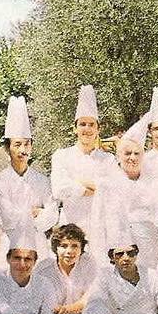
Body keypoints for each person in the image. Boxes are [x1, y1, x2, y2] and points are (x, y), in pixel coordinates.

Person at [93, 118, 158, 273]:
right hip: (116, 256)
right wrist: (101, 261)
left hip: (149, 257)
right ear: (118, 156)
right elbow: (97, 226)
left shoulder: (154, 184)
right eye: (127, 153)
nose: (133, 157)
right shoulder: (106, 185)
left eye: (137, 153)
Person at [50, 85, 116, 264]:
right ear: (75, 128)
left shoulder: (108, 160)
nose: (86, 129)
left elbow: (113, 191)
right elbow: (59, 189)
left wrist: (77, 181)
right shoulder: (62, 156)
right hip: (70, 228)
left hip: (99, 231)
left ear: (98, 129)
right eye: (82, 124)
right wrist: (94, 187)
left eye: (91, 124)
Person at [0, 96, 56, 272]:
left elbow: (52, 214)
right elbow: (7, 219)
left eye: (27, 144)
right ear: (7, 148)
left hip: (38, 246)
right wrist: (33, 212)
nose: (22, 150)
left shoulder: (42, 180)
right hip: (10, 245)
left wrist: (35, 215)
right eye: (17, 144)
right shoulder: (0, 182)